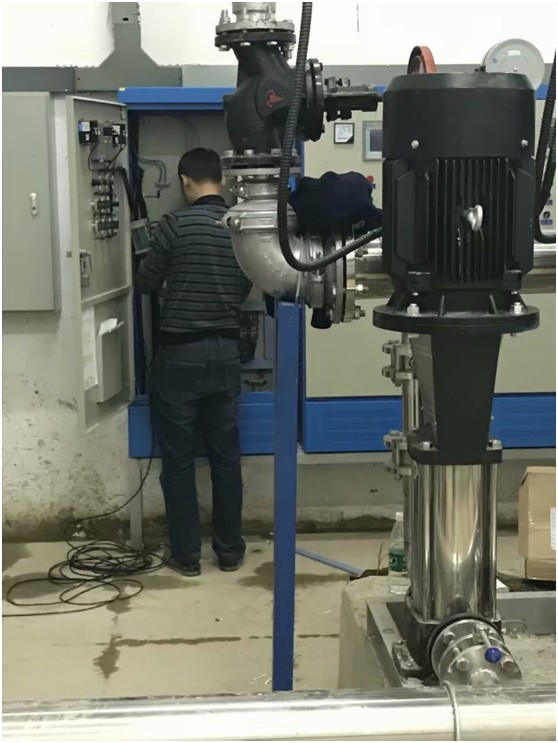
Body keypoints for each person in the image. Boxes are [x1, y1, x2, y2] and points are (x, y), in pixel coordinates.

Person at [136, 148, 251, 577]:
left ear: (185, 181)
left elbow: (146, 283)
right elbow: (247, 283)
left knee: (179, 462)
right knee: (226, 459)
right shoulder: (241, 226)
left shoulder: (174, 224)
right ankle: (230, 551)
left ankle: (186, 557)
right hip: (226, 354)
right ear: (222, 179)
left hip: (179, 356)